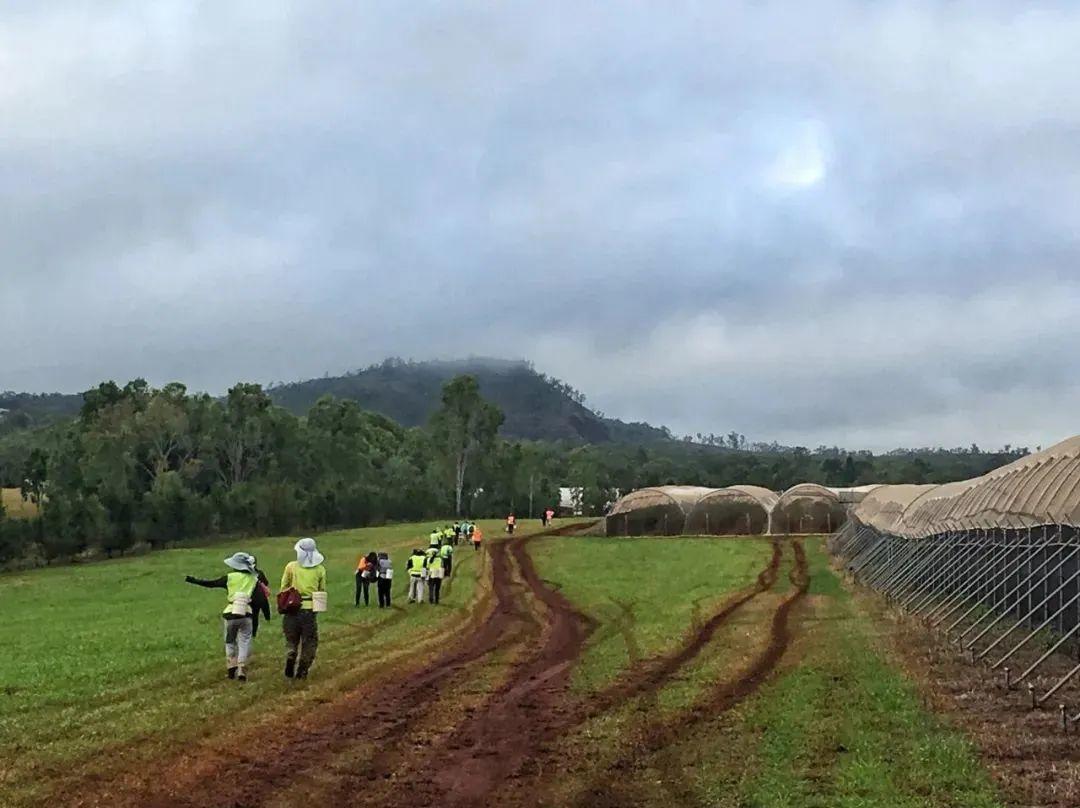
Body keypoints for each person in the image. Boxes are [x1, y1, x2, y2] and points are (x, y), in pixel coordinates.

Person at [185, 552, 260, 681]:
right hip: (247, 613)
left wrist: (192, 580)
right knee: (244, 642)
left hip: (230, 613)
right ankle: (242, 668)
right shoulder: (254, 579)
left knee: (230, 641)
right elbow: (260, 597)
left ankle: (231, 667)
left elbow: (210, 583)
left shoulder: (229, 577)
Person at [280, 537, 327, 680]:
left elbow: (284, 587)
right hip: (309, 609)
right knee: (310, 641)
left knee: (291, 638)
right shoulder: (320, 569)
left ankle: (291, 653)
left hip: (291, 608)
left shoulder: (291, 567)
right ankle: (302, 670)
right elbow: (321, 590)